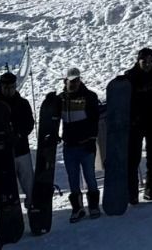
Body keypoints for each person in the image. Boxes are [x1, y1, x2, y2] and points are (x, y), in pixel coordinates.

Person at [58, 69, 102, 221]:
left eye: (77, 80)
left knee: (90, 176)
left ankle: (94, 206)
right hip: (69, 146)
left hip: (85, 145)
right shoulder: (61, 99)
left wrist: (91, 140)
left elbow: (94, 121)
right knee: (73, 179)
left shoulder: (89, 96)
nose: (75, 83)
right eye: (72, 81)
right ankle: (77, 208)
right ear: (65, 81)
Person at [0, 72, 35, 211]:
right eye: (6, 87)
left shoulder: (23, 103)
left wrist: (19, 134)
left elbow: (29, 123)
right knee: (8, 186)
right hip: (4, 153)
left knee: (29, 183)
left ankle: (32, 205)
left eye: (12, 87)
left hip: (22, 149)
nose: (9, 90)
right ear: (1, 87)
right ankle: (12, 211)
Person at [127, 47, 152, 202]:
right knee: (133, 158)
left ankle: (151, 188)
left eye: (150, 61)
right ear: (138, 61)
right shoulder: (130, 76)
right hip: (136, 123)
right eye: (145, 61)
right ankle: (132, 192)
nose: (148, 64)